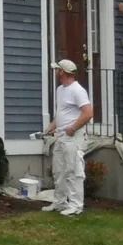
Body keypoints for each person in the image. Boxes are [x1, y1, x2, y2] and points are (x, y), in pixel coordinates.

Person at [43, 59, 94, 216]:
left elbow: (88, 113)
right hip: (61, 137)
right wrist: (49, 128)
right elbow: (61, 114)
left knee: (74, 171)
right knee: (59, 171)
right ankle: (59, 202)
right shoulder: (60, 90)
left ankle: (76, 205)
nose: (57, 73)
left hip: (74, 138)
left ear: (63, 72)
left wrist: (73, 128)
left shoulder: (77, 90)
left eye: (58, 70)